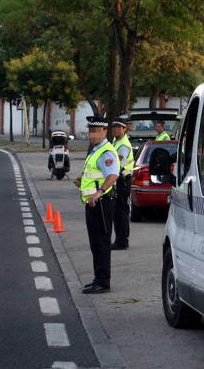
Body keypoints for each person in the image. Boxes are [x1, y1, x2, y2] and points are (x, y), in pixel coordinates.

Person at [74, 116, 120, 294]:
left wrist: (99, 191)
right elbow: (95, 174)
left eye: (95, 130)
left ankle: (102, 282)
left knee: (101, 243)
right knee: (95, 243)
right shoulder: (96, 150)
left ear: (104, 132)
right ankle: (97, 279)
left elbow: (113, 175)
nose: (91, 134)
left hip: (102, 203)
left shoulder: (106, 152)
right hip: (93, 203)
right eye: (90, 130)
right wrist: (82, 181)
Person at [110, 120, 134, 250]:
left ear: (124, 129)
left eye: (118, 127)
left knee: (121, 212)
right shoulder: (116, 142)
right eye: (113, 127)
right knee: (118, 212)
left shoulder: (123, 145)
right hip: (120, 180)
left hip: (122, 181)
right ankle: (120, 239)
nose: (115, 130)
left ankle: (122, 241)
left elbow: (117, 165)